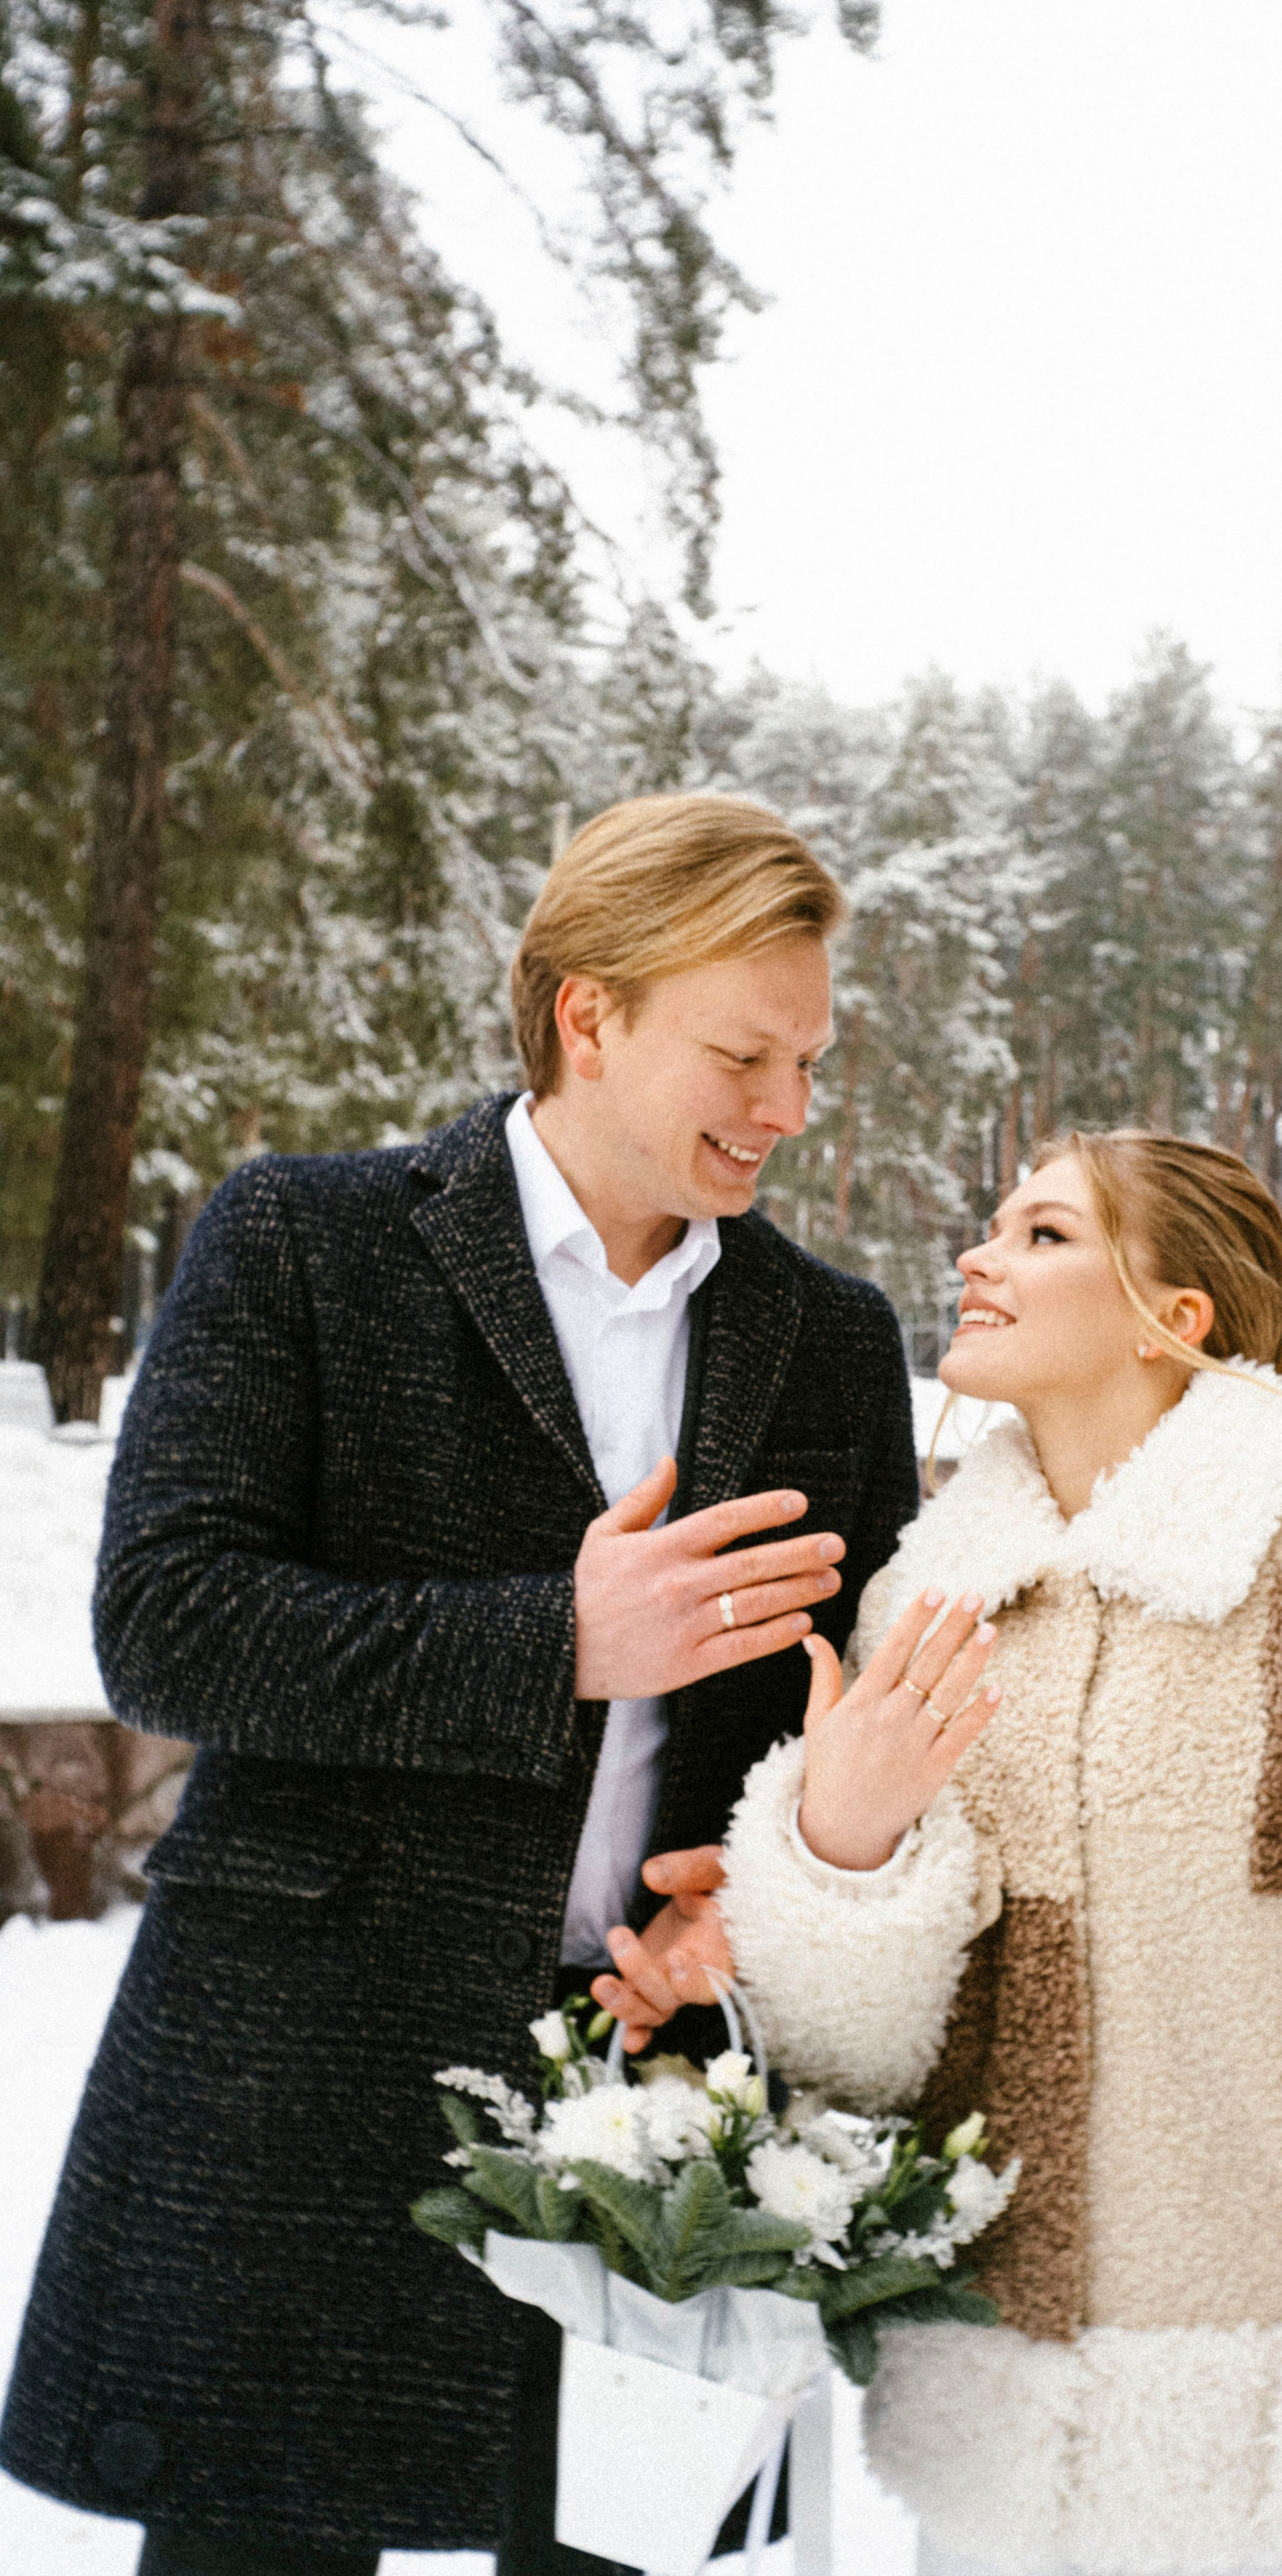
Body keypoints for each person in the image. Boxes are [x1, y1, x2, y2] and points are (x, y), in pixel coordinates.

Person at [0, 794, 920, 2575]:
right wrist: (553, 1641)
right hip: (307, 2078)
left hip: (648, 2091)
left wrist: (765, 1892)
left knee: (617, 2550)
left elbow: (845, 1708)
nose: (788, 1108)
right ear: (590, 1010)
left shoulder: (828, 1336)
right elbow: (169, 1621)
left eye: (808, 1058)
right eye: (745, 1052)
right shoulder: (301, 1243)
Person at [718, 1130, 1282, 2576]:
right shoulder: (931, 1595)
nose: (977, 1259)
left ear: (1177, 1320)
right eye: (990, 1227)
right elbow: (862, 2063)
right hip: (994, 2444)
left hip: (1276, 2449)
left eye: (1042, 1235)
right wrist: (839, 1845)